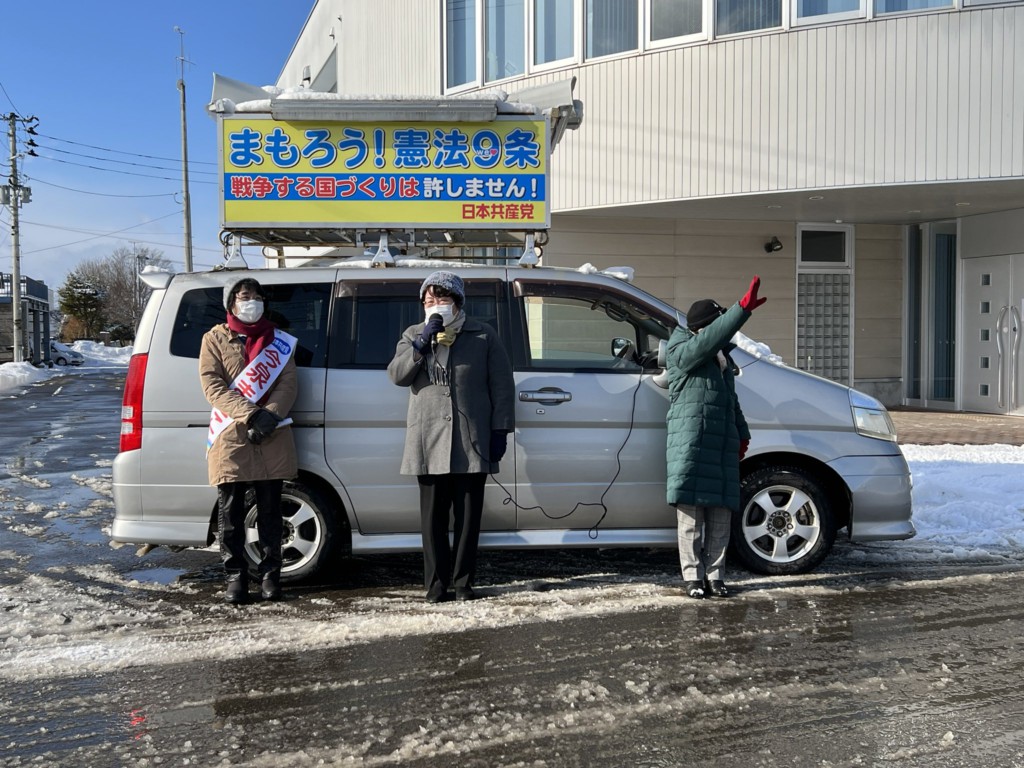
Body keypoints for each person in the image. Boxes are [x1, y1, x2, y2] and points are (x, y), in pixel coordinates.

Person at [388, 271, 515, 603]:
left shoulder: (482, 335)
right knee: (432, 518)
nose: (434, 305)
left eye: (441, 299)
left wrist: (500, 429)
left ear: (457, 303)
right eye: (429, 300)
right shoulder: (413, 333)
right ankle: (435, 584)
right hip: (427, 438)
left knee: (468, 516)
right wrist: (421, 345)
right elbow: (398, 375)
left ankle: (462, 583)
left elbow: (502, 387)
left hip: (471, 440)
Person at [665, 275, 766, 599]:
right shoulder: (682, 350)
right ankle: (693, 577)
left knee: (721, 516)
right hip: (692, 443)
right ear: (705, 328)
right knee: (692, 517)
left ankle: (716, 576)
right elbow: (705, 343)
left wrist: (742, 433)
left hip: (720, 442)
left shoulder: (723, 360)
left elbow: (730, 400)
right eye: (718, 325)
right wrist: (740, 311)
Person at [199, 278, 298, 604]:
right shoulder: (215, 338)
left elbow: (288, 382)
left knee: (271, 512)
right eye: (244, 296)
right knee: (231, 514)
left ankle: (271, 576)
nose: (251, 302)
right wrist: (252, 415)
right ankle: (235, 577)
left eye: (257, 297)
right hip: (231, 435)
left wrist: (269, 416)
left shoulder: (278, 341)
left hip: (273, 432)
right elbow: (212, 385)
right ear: (231, 302)